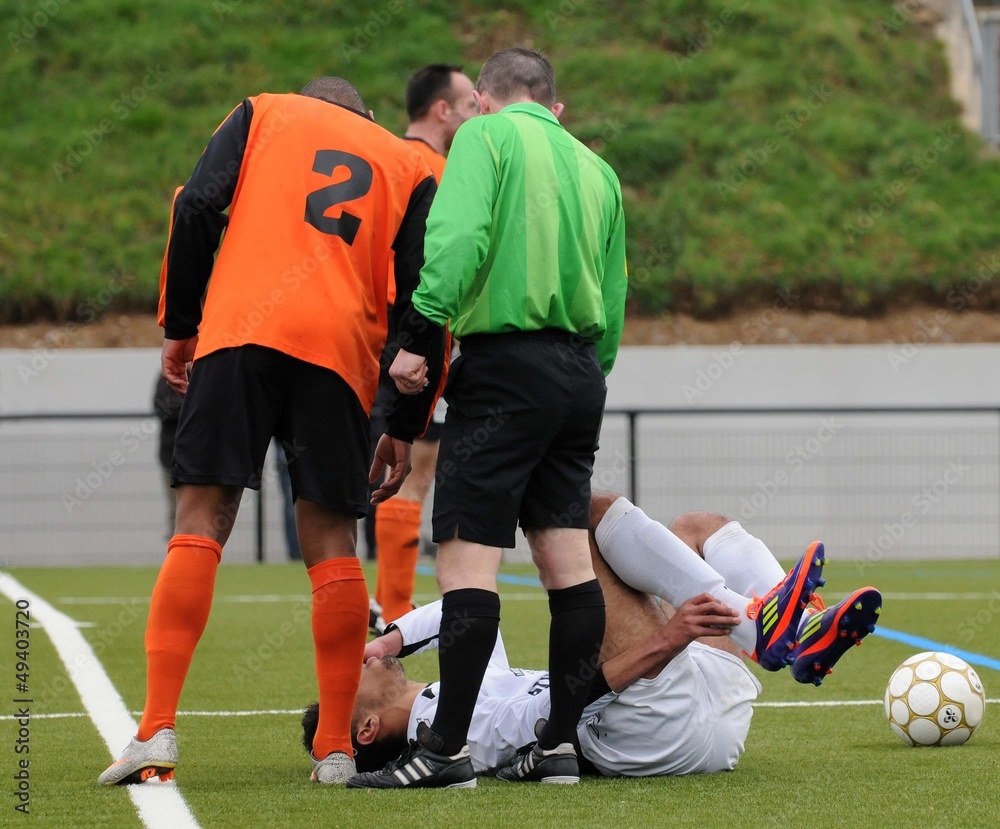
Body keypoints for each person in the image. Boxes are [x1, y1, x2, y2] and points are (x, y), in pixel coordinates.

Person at [98, 76, 445, 787]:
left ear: (307, 100)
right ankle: (336, 748)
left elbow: (196, 205)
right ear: (367, 116)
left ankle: (156, 731)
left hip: (242, 331)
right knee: (331, 540)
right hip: (341, 355)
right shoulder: (408, 162)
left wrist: (180, 325)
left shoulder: (263, 112)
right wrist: (405, 424)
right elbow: (428, 291)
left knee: (201, 519)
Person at [351, 47, 628, 789]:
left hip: (505, 364)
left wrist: (418, 336)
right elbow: (614, 291)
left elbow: (458, 238)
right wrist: (584, 375)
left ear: (483, 99)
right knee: (567, 563)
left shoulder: (484, 136)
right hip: (579, 372)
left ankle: (444, 750)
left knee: (467, 560)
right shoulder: (597, 168)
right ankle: (559, 745)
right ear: (552, 100)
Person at [311, 492, 881, 782]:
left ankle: (796, 631)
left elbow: (467, 618)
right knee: (578, 520)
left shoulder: (450, 701)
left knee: (697, 529)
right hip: (655, 725)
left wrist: (387, 640)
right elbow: (565, 706)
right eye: (346, 684)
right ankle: (768, 628)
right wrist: (667, 639)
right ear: (367, 727)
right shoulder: (451, 732)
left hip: (696, 708)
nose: (351, 666)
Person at [368, 64, 477, 625]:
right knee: (412, 472)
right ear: (442, 109)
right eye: (470, 105)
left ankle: (379, 600)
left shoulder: (380, 158)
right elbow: (447, 263)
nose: (476, 115)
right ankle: (395, 605)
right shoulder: (439, 171)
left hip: (369, 328)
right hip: (418, 331)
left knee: (378, 466)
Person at [152, 373, 184, 541]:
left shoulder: (204, 372)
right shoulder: (168, 375)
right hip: (171, 458)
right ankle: (177, 550)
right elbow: (161, 407)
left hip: (201, 458)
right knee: (176, 511)